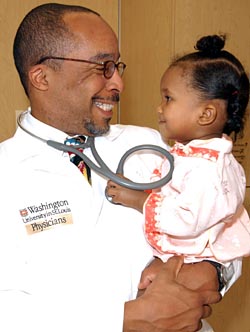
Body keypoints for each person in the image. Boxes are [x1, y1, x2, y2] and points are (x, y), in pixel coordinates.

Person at [0, 4, 230, 331]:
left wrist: (210, 269)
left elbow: (224, 220)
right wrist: (124, 320)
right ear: (41, 76)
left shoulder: (150, 145)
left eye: (117, 66)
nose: (119, 83)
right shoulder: (5, 173)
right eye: (102, 66)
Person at [106, 34, 250, 295]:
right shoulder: (192, 155)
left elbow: (189, 218)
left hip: (191, 260)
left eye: (168, 99)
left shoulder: (208, 168)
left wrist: (138, 199)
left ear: (206, 114)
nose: (159, 108)